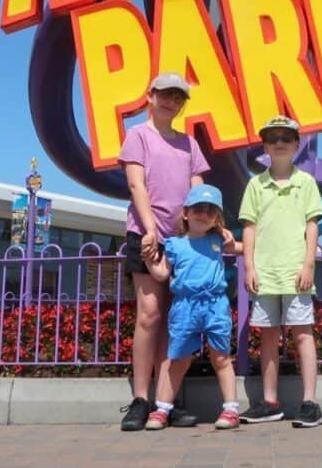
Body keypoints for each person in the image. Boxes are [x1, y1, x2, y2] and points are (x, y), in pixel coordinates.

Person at [118, 72, 210, 431]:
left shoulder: (189, 144)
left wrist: (200, 233)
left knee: (176, 322)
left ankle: (164, 403)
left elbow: (198, 192)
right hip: (145, 235)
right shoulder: (137, 136)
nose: (172, 101)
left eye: (178, 97)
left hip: (182, 242)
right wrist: (151, 230)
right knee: (150, 315)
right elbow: (136, 184)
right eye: (166, 94)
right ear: (150, 96)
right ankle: (140, 399)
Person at [238, 115, 322, 428]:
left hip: (295, 272)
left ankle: (310, 402)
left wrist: (308, 265)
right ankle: (270, 402)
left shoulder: (307, 183)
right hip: (265, 274)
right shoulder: (255, 184)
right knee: (269, 337)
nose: (278, 143)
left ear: (296, 145)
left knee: (303, 335)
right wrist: (249, 266)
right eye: (272, 138)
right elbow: (249, 227)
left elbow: (312, 226)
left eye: (285, 138)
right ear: (264, 145)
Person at [144, 185, 242, 430]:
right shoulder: (174, 244)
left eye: (211, 211)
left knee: (220, 356)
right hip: (184, 306)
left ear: (217, 218)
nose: (204, 214)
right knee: (177, 359)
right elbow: (161, 273)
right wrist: (147, 258)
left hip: (215, 304)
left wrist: (229, 232)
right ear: (186, 213)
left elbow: (244, 247)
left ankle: (231, 409)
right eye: (199, 208)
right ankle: (162, 409)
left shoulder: (218, 239)